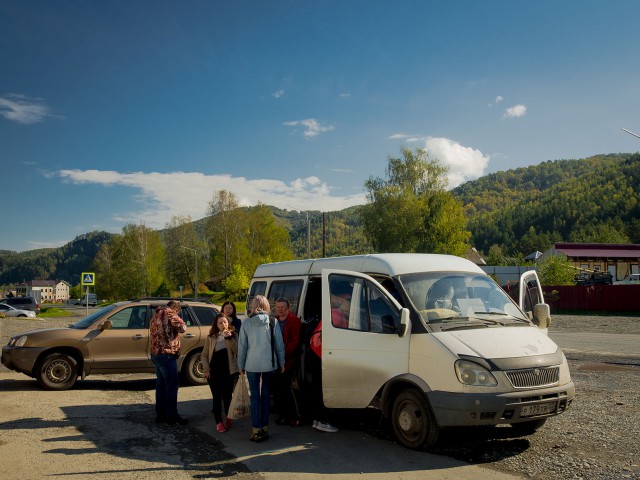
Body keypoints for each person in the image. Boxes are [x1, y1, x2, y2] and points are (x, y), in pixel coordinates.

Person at [237, 295, 285, 442]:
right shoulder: (273, 321)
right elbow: (279, 345)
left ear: (253, 305)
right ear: (266, 306)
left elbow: (242, 347)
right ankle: (265, 428)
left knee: (255, 397)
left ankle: (256, 429)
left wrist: (241, 365)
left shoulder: (246, 323)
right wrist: (281, 362)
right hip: (269, 364)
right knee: (265, 396)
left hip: (251, 364)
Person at [150, 300, 188, 425]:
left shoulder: (156, 313)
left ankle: (160, 415)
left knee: (161, 385)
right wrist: (177, 316)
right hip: (167, 353)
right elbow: (183, 327)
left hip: (156, 353)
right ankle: (172, 416)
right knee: (172, 385)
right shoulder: (170, 313)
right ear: (175, 309)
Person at [201, 312, 239, 433]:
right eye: (220, 323)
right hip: (214, 372)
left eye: (225, 322)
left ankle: (228, 416)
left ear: (228, 323)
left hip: (228, 370)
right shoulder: (211, 337)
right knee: (216, 397)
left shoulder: (233, 335)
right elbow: (204, 355)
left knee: (228, 397)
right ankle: (218, 422)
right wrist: (206, 369)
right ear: (216, 324)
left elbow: (237, 350)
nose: (223, 324)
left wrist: (228, 337)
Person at [271, 297, 302, 426]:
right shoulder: (274, 321)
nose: (280, 310)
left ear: (288, 308)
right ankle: (282, 415)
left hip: (289, 361)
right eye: (278, 307)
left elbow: (295, 342)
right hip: (275, 361)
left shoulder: (295, 321)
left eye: (283, 307)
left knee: (288, 390)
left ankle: (294, 416)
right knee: (277, 390)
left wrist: (283, 355)